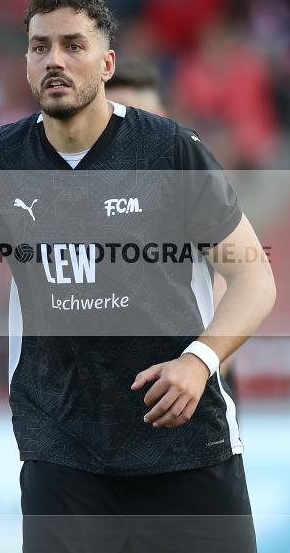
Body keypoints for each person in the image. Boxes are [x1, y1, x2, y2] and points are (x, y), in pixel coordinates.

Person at [0, 0, 276, 553]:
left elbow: (254, 276)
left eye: (74, 45)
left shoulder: (170, 150)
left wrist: (198, 363)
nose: (55, 60)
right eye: (40, 46)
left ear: (106, 63)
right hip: (63, 448)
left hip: (184, 442)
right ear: (25, 62)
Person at [105, 56, 241, 403]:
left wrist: (204, 363)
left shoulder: (187, 185)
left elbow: (232, 278)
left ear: (162, 117)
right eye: (113, 117)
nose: (124, 129)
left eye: (138, 116)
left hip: (191, 385)